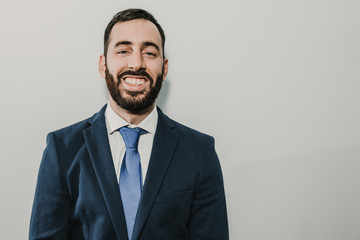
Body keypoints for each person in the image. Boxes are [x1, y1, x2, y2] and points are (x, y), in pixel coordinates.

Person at [29, 8, 228, 240]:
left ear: (164, 68)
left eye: (150, 53)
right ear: (103, 65)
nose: (136, 63)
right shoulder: (61, 149)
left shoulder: (199, 152)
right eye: (124, 50)